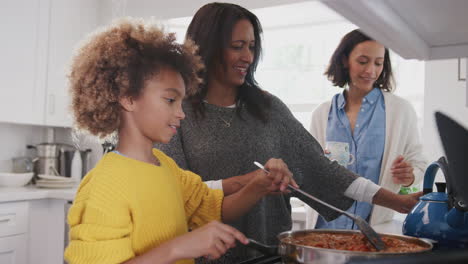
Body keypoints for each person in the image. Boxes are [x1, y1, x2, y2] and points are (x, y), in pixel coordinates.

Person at [156, 3, 422, 263]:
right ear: (208, 48)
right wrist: (248, 182)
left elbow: (324, 170)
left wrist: (397, 201)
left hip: (270, 253)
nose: (247, 57)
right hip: (203, 257)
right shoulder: (177, 112)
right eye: (237, 47)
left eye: (251, 47)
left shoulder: (268, 108)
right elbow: (172, 194)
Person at [63, 18, 295, 264]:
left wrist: (258, 186)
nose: (181, 113)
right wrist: (178, 248)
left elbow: (213, 209)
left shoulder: (165, 166)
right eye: (170, 100)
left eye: (181, 102)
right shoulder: (104, 185)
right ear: (129, 98)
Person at [309, 29, 427, 229]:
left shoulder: (400, 111)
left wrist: (410, 176)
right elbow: (311, 167)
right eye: (363, 61)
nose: (371, 71)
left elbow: (419, 163)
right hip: (327, 228)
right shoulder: (322, 114)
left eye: (378, 63)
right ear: (345, 60)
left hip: (375, 228)